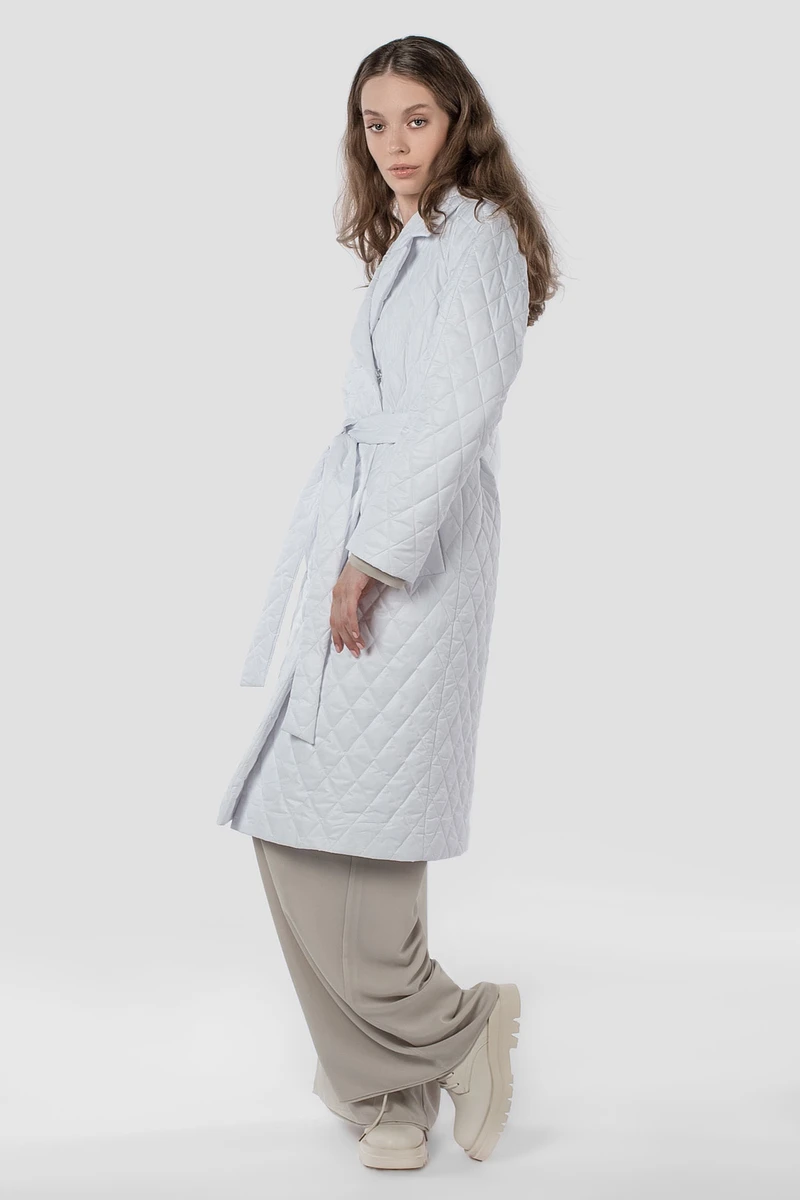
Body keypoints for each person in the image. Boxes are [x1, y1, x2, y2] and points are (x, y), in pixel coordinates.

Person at [217, 35, 560, 1170]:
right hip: (374, 533)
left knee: (356, 826)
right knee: (319, 819)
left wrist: (373, 559)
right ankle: (388, 1088)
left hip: (412, 555)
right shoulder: (419, 239)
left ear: (459, 120)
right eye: (375, 124)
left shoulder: (479, 237)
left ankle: (456, 1032)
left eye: (416, 118)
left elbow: (458, 415)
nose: (394, 143)